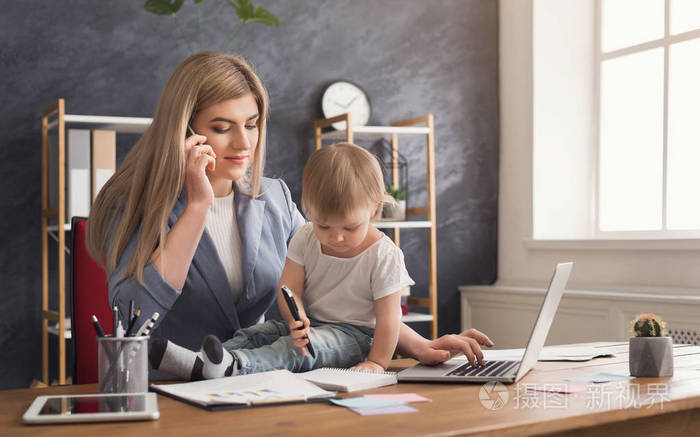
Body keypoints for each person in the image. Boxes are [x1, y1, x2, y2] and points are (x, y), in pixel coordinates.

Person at [86, 50, 493, 370]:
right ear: (186, 131)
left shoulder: (275, 199)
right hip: (172, 395)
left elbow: (338, 301)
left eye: (252, 123)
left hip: (263, 384)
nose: (244, 143)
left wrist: (419, 344)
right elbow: (132, 321)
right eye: (222, 127)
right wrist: (197, 206)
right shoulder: (134, 205)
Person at [150, 143, 414, 378]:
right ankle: (204, 360)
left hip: (355, 337)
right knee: (256, 333)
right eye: (323, 225)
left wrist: (377, 363)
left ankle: (236, 366)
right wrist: (295, 318)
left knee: (292, 348)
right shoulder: (305, 236)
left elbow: (389, 319)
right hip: (313, 325)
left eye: (349, 228)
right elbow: (289, 291)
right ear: (309, 209)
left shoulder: (384, 255)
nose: (336, 238)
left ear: (375, 209)